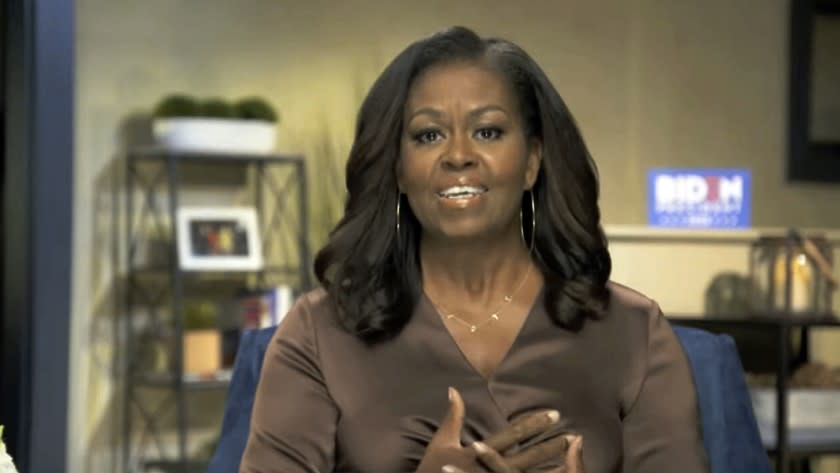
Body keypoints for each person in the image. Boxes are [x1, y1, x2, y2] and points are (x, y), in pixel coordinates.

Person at [240, 26, 708, 473]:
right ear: (399, 170)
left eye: (487, 132)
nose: (458, 155)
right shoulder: (319, 335)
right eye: (428, 135)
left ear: (531, 163)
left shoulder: (634, 333)